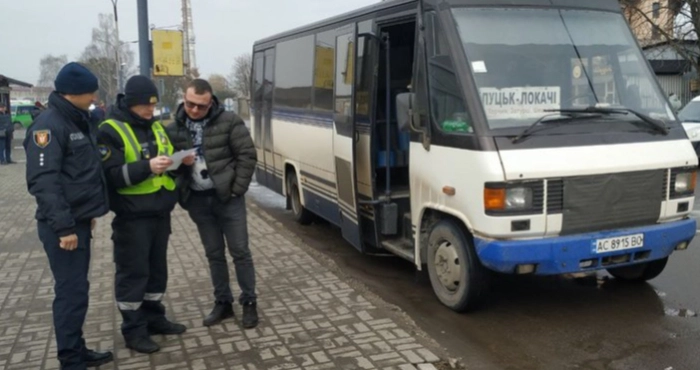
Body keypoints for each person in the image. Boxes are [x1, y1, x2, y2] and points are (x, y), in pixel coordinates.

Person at [24, 62, 113, 370]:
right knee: (71, 293)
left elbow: (80, 175)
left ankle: (77, 348)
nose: (93, 97)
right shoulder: (49, 126)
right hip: (62, 228)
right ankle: (70, 361)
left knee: (78, 290)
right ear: (72, 93)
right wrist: (64, 229)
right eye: (90, 92)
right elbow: (44, 182)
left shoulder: (77, 120)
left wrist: (86, 215)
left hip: (77, 221)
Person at [97, 75, 190, 354]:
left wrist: (178, 161)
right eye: (145, 106)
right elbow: (111, 175)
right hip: (132, 216)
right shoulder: (109, 130)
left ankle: (154, 318)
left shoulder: (157, 127)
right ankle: (133, 330)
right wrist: (148, 166)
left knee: (156, 272)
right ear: (129, 103)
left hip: (160, 212)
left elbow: (166, 159)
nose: (151, 111)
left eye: (153, 105)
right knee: (133, 273)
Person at [166, 79, 259, 328]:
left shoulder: (228, 121)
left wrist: (236, 190)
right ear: (184, 100)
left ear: (211, 103)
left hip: (228, 200)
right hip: (198, 201)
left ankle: (249, 302)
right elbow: (167, 167)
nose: (195, 110)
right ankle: (223, 303)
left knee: (240, 251)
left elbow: (247, 155)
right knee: (214, 254)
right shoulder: (174, 127)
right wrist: (179, 174)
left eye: (201, 106)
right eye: (190, 104)